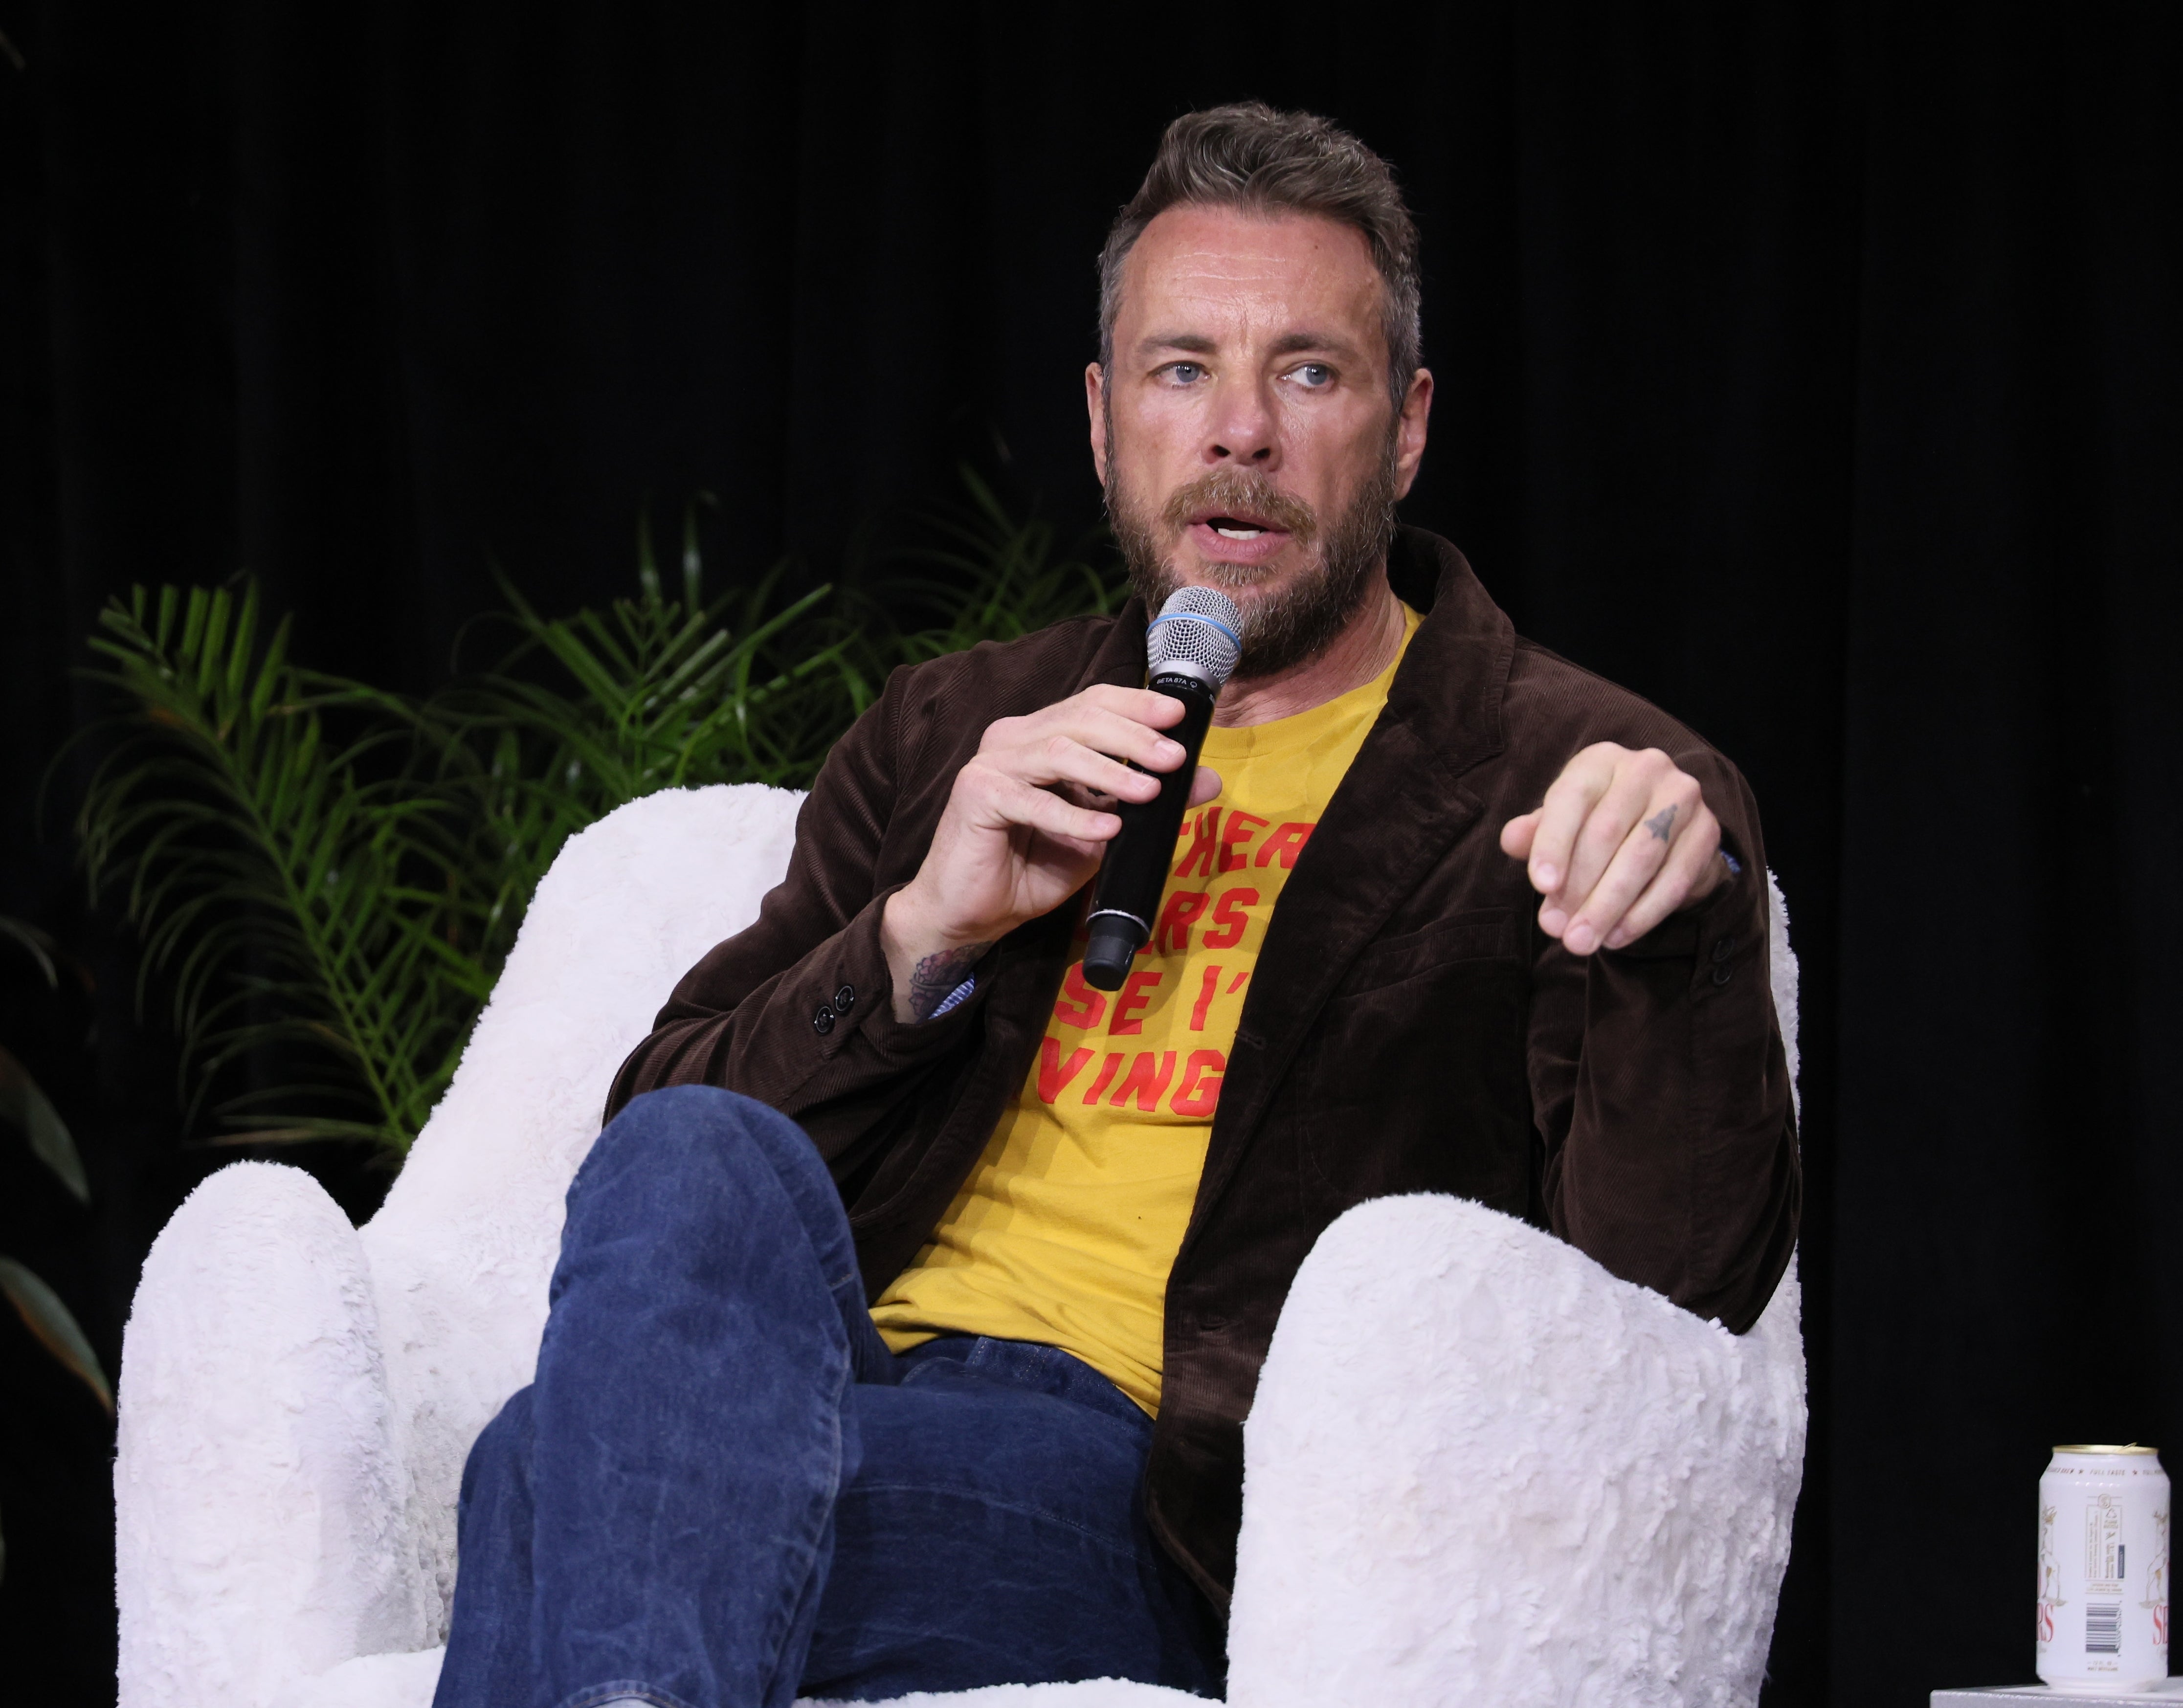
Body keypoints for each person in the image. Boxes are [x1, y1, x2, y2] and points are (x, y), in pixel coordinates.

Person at [432, 103, 1800, 1708]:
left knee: (544, 1474)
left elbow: (1678, 1287)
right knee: (688, 1158)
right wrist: (921, 937)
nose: (1240, 433)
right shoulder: (958, 730)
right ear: (1101, 421)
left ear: (1406, 428)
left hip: (1161, 1492)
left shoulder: (1573, 774)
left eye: (1309, 372)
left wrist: (1677, 926)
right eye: (1181, 370)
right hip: (837, 1381)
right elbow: (655, 1160)